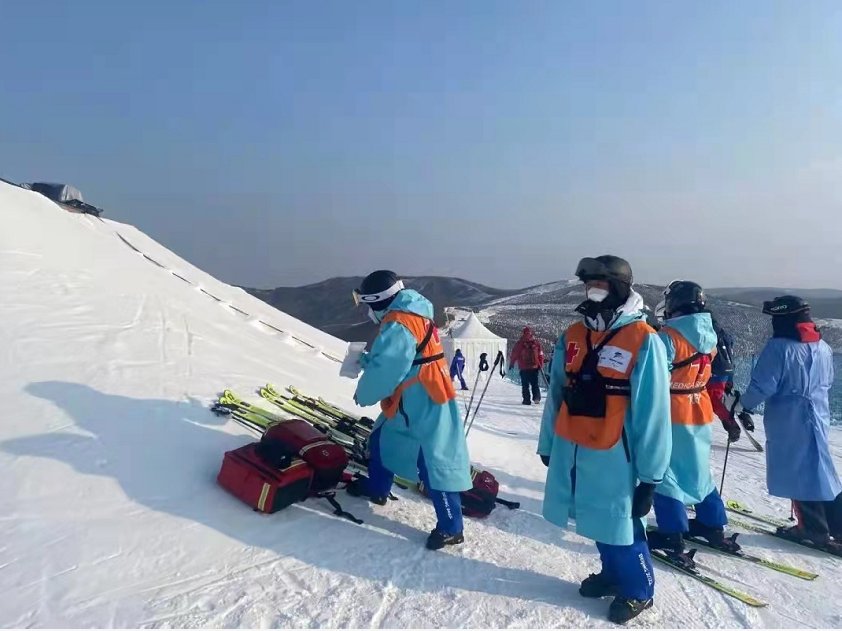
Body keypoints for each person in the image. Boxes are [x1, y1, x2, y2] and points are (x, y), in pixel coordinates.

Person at [537, 255, 672, 624]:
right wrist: (548, 444)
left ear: (620, 288)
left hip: (618, 454)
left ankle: (640, 590)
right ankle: (613, 574)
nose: (592, 290)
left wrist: (651, 476)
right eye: (588, 284)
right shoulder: (574, 335)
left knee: (621, 522)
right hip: (575, 446)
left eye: (600, 284)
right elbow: (556, 395)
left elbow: (654, 414)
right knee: (595, 518)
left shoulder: (644, 340)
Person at [347, 270, 473, 550]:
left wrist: (365, 392)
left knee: (433, 459)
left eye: (367, 303)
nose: (368, 310)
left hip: (425, 398)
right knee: (382, 439)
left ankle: (452, 527)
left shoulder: (399, 323)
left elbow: (388, 368)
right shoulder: (410, 313)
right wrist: (367, 360)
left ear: (378, 301)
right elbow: (402, 358)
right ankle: (377, 488)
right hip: (412, 396)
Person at [731, 295, 842, 552]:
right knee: (821, 469)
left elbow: (762, 386)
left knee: (799, 473)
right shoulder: (822, 347)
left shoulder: (779, 347)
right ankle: (837, 526)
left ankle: (812, 529)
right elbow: (828, 381)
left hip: (789, 418)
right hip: (818, 415)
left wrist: (741, 404)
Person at [646, 281, 740, 561]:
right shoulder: (708, 334)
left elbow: (654, 376)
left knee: (664, 471)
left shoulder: (668, 336)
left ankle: (671, 533)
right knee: (698, 469)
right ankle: (712, 523)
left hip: (672, 408)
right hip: (699, 407)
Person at [509, 327, 545, 405]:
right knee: (535, 384)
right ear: (531, 333)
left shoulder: (520, 343)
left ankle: (526, 400)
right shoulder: (536, 343)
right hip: (534, 367)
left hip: (523, 367)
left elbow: (514, 354)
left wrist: (512, 363)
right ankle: (536, 398)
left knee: (525, 385)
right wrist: (541, 364)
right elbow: (540, 354)